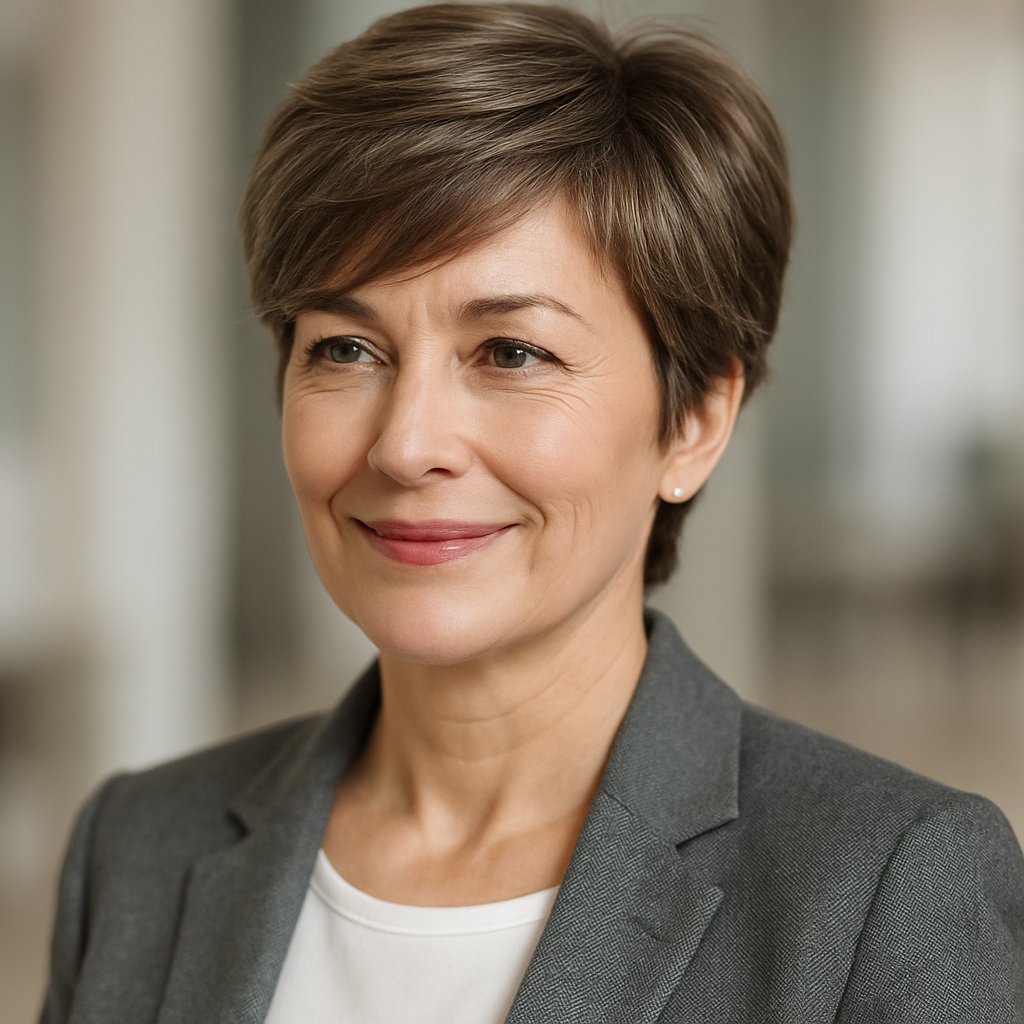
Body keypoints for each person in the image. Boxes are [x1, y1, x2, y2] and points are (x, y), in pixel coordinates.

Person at [39, 4, 1024, 1022]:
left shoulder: (885, 892)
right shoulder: (135, 847)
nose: (405, 443)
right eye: (346, 348)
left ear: (694, 418)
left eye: (511, 353)